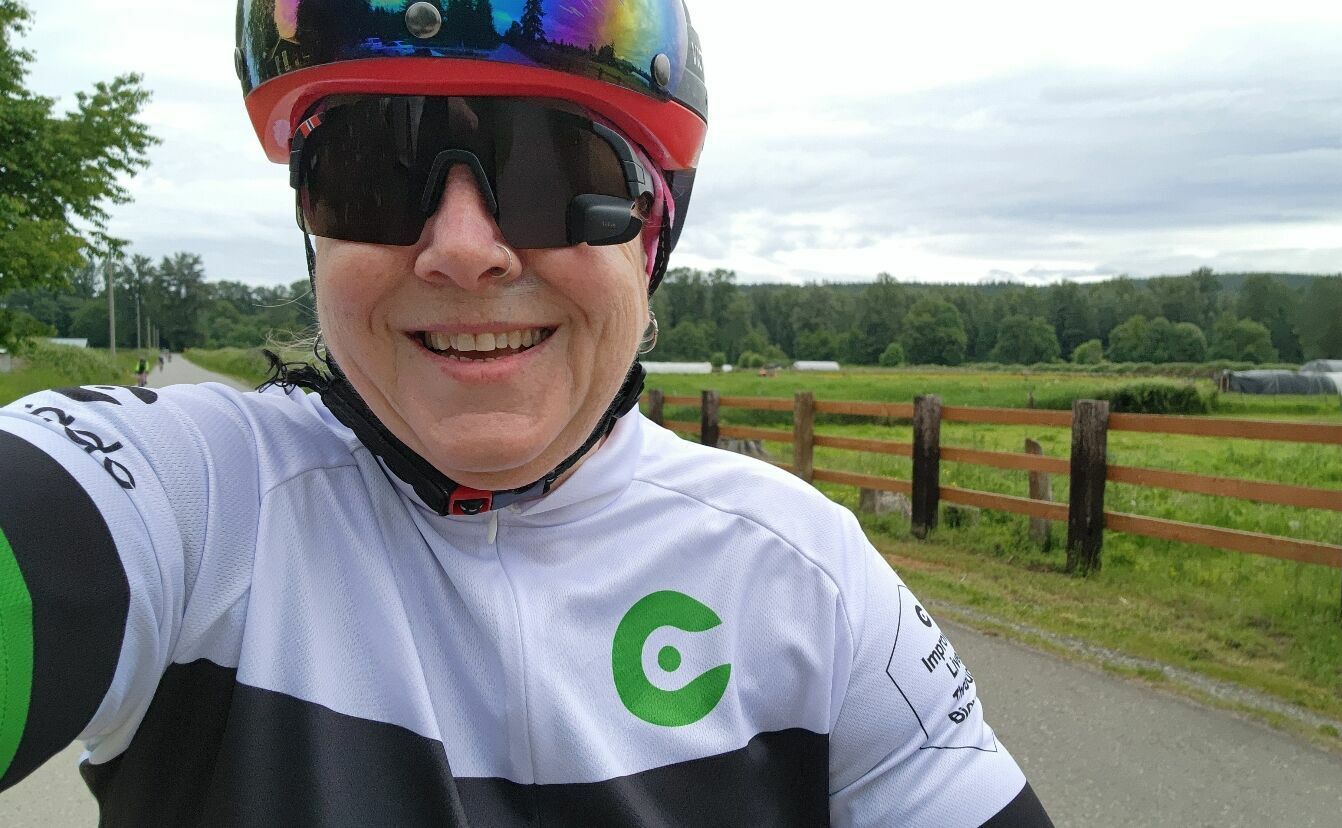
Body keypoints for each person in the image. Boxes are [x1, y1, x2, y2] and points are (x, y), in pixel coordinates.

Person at [0, 2, 1050, 825]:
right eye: (371, 173)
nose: (463, 251)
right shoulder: (200, 502)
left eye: (551, 170)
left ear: (648, 240)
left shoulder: (804, 577)